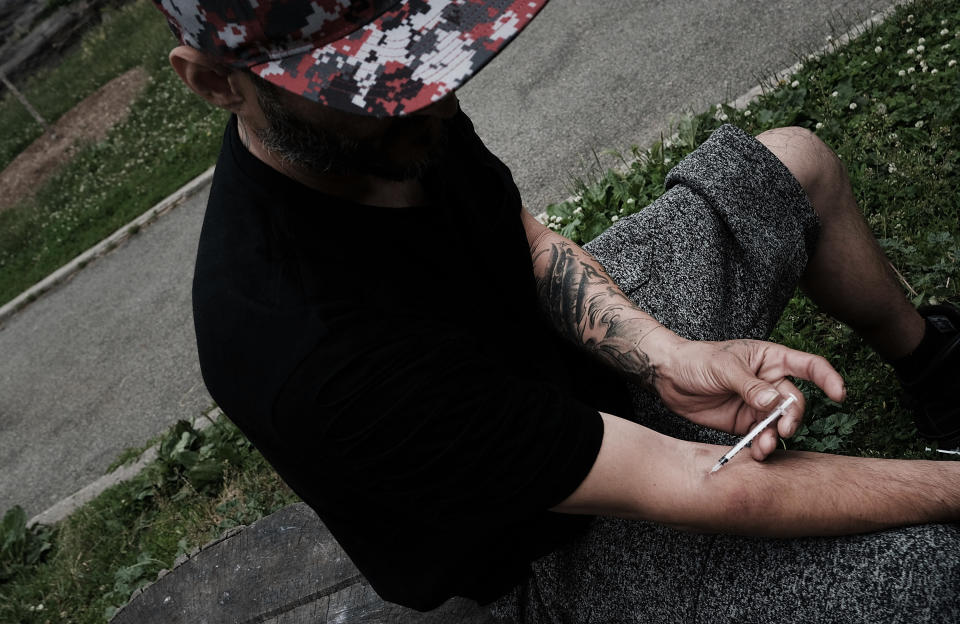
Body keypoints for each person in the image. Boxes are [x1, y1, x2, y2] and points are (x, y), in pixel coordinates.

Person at [152, 0, 960, 620]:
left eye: (424, 47)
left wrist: (664, 354)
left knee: (792, 168)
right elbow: (717, 487)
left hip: (570, 394)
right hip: (547, 548)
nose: (436, 96)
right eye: (362, 83)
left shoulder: (392, 114)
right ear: (216, 81)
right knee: (932, 576)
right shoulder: (309, 351)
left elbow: (524, 241)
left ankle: (935, 364)